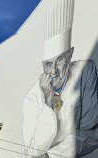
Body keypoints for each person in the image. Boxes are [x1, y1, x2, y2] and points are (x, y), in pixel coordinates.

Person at [23, 0, 98, 157]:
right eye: (48, 64)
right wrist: (48, 103)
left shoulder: (85, 72)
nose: (53, 71)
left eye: (60, 60)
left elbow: (90, 133)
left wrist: (52, 155)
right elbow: (33, 151)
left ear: (70, 56)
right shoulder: (32, 97)